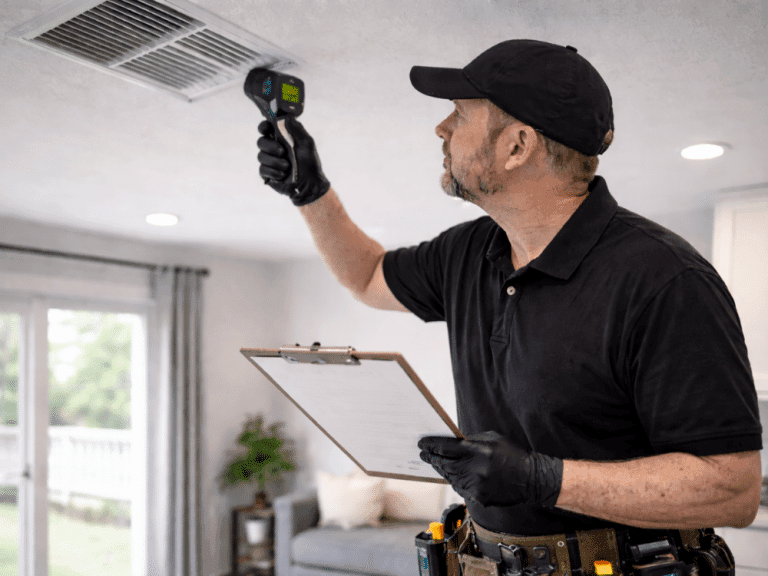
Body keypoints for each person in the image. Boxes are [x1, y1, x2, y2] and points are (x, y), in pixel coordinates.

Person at [257, 39, 762, 572]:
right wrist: (310, 191)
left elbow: (731, 488)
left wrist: (542, 479)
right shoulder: (468, 250)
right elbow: (366, 276)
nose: (441, 129)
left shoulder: (664, 279)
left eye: (459, 114)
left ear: (517, 145)